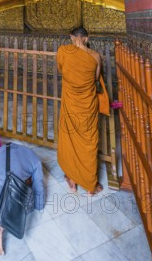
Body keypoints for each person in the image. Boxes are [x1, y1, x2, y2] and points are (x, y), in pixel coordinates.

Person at [57, 26, 102, 195]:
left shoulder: (63, 51)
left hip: (71, 102)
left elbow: (61, 69)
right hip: (88, 105)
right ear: (86, 38)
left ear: (71, 37)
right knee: (89, 142)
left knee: (70, 138)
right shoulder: (95, 56)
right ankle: (91, 185)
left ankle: (72, 179)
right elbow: (96, 78)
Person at [0, 142, 44, 255]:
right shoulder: (36, 161)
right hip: (1, 187)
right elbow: (39, 188)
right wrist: (38, 205)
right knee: (20, 201)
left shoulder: (6, 147)